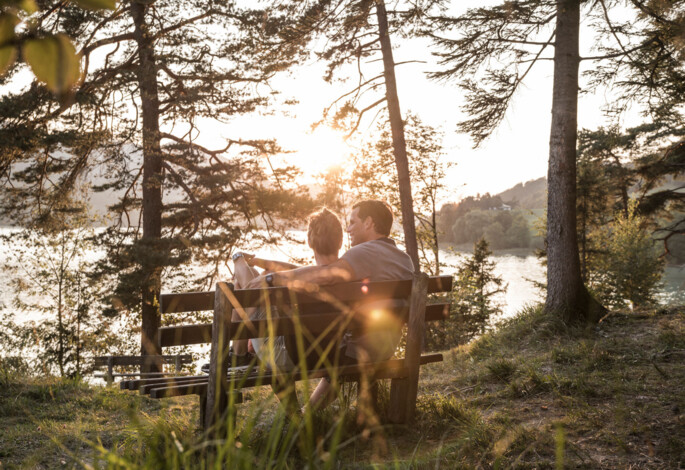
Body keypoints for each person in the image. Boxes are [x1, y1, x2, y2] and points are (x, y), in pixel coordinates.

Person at [244, 199, 414, 411]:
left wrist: (271, 279)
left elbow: (325, 274)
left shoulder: (365, 252)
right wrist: (272, 267)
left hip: (354, 351)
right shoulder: (403, 259)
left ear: (369, 222)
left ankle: (238, 356)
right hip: (384, 347)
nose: (349, 228)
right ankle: (306, 415)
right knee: (337, 357)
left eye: (353, 222)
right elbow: (321, 270)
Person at [228, 207, 345, 372]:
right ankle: (238, 355)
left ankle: (238, 355)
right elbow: (294, 268)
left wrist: (238, 257)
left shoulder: (308, 279)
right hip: (325, 357)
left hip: (285, 357)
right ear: (340, 241)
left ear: (309, 242)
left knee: (242, 274)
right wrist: (258, 261)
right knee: (256, 276)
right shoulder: (343, 276)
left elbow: (290, 273)